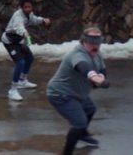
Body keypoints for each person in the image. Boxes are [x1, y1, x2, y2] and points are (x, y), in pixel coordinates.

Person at [47, 27, 109, 155]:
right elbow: (84, 67)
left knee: (90, 109)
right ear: (84, 41)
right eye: (91, 41)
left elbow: (102, 69)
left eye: (98, 42)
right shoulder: (78, 54)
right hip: (60, 94)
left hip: (77, 93)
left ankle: (82, 135)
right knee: (79, 122)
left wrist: (101, 77)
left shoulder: (97, 53)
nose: (95, 45)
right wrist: (95, 78)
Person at [1, 0, 50, 101]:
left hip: (19, 40)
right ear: (21, 7)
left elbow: (33, 20)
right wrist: (25, 34)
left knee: (30, 58)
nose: (27, 9)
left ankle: (22, 81)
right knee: (20, 62)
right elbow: (18, 27)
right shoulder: (18, 16)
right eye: (25, 7)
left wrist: (43, 20)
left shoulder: (29, 14)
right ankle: (13, 90)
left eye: (29, 7)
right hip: (10, 41)